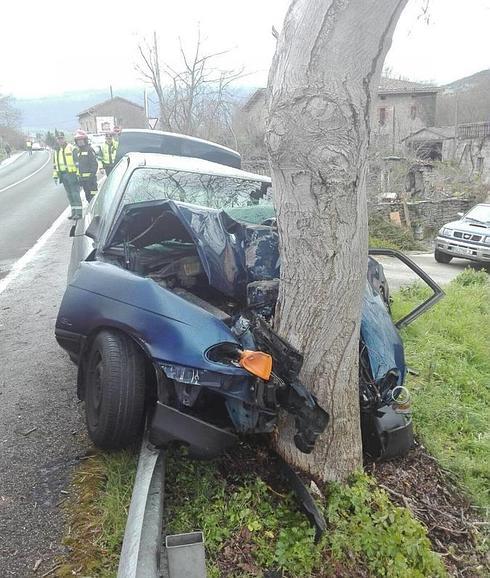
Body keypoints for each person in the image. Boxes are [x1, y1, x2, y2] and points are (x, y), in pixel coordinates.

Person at [53, 132, 82, 219]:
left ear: (64, 138)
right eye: (58, 139)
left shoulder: (72, 148)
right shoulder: (57, 150)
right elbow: (55, 165)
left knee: (75, 194)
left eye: (61, 138)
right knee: (69, 195)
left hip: (72, 174)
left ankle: (79, 213)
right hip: (62, 175)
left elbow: (78, 163)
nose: (60, 140)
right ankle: (74, 212)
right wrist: (55, 176)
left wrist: (78, 174)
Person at [74, 129, 98, 203]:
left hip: (91, 180)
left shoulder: (89, 150)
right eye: (78, 140)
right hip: (83, 180)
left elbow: (94, 164)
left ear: (85, 140)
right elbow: (78, 166)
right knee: (87, 196)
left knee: (94, 197)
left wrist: (91, 175)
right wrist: (79, 178)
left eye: (81, 140)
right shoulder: (78, 152)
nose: (80, 142)